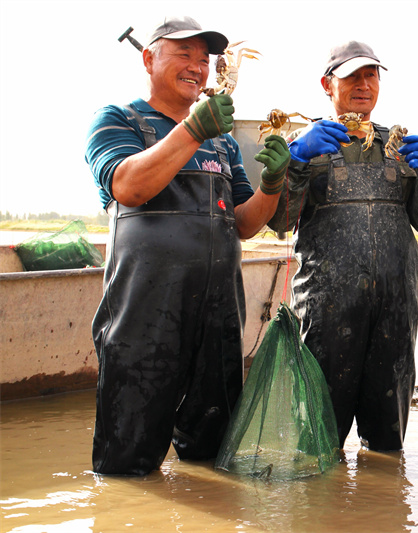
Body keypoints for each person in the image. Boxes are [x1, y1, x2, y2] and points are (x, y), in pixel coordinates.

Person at [84, 16, 291, 475]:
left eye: (204, 59)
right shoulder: (119, 120)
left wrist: (272, 186)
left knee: (212, 461)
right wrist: (193, 129)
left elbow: (243, 225)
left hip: (217, 319)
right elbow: (129, 186)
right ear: (148, 58)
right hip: (144, 318)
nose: (197, 67)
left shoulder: (223, 143)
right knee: (126, 467)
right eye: (184, 54)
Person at [267, 41, 418, 451]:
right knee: (318, 443)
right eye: (352, 76)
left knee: (387, 447)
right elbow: (279, 221)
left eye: (371, 75)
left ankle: (380, 511)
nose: (363, 84)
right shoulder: (305, 143)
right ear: (327, 85)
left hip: (395, 313)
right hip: (324, 311)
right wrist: (295, 161)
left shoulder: (399, 146)